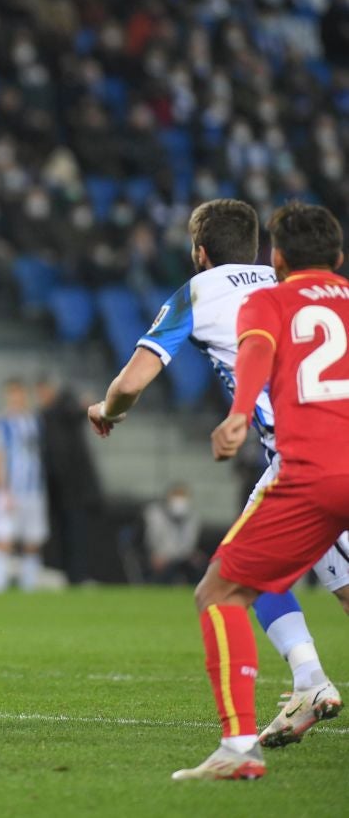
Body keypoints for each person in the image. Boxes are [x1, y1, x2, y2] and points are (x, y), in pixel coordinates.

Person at [88, 199, 340, 746]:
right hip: (314, 452)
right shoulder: (294, 283)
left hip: (307, 456)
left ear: (199, 252)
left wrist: (105, 413)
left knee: (232, 577)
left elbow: (131, 382)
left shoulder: (198, 293)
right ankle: (309, 680)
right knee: (251, 564)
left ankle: (261, 725)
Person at [174, 202, 349, 781]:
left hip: (314, 468)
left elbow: (255, 351)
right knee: (252, 569)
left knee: (223, 589)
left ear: (275, 258)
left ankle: (240, 746)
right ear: (340, 258)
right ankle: (308, 682)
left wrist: (239, 414)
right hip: (303, 470)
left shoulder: (270, 300)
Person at [35, 375, 101, 584]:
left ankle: (78, 575)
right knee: (64, 534)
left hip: (75, 489)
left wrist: (85, 406)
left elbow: (76, 411)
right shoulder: (45, 416)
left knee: (76, 534)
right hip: (58, 489)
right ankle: (69, 575)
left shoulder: (63, 409)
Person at [0, 378, 47, 593]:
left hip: (34, 491)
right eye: (12, 394)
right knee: (4, 539)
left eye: (19, 393)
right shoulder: (1, 424)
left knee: (33, 541)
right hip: (10, 491)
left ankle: (28, 588)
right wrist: (2, 490)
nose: (16, 398)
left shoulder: (35, 422)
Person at [141, 483, 205, 584]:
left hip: (183, 557)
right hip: (161, 556)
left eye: (183, 496)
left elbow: (190, 542)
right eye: (176, 495)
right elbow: (150, 539)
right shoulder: (155, 514)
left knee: (199, 564)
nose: (180, 500)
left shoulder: (193, 516)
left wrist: (191, 554)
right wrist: (155, 554)